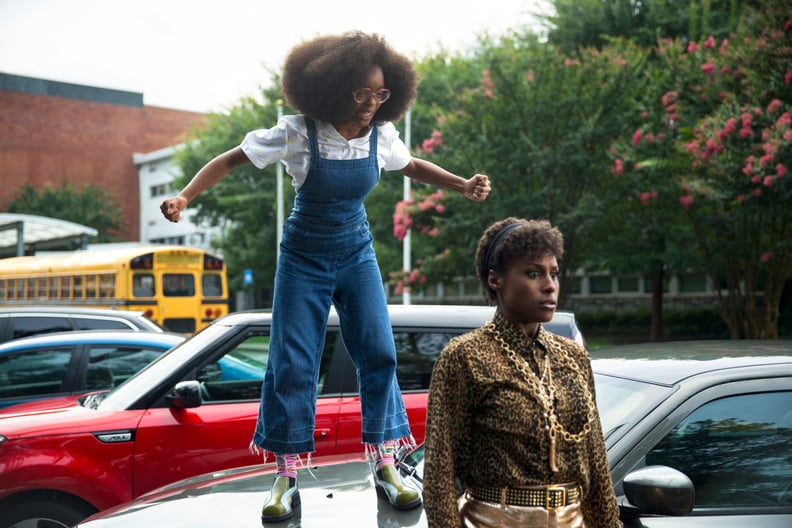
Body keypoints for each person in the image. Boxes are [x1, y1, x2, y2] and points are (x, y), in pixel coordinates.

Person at [160, 31, 491, 523]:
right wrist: (185, 196)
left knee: (378, 351)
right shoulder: (299, 132)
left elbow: (412, 165)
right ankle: (286, 474)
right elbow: (232, 157)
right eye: (361, 93)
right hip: (304, 256)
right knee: (292, 362)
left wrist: (461, 183)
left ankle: (384, 462)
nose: (370, 104)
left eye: (380, 94)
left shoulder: (381, 135)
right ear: (334, 88)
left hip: (356, 251)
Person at [422, 218, 621, 528]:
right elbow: (439, 474)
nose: (549, 284)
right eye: (533, 273)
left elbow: (596, 463)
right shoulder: (464, 357)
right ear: (495, 280)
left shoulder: (573, 357)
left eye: (553, 273)